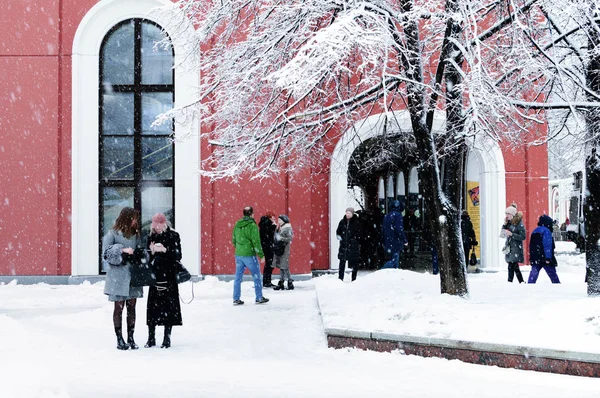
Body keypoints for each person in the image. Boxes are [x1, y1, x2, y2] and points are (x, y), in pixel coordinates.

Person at [102, 207, 144, 350]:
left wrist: (140, 254)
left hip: (133, 276)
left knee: (132, 307)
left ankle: (131, 338)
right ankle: (120, 339)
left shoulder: (136, 234)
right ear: (127, 218)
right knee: (118, 308)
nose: (135, 221)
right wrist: (122, 250)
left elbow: (141, 252)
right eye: (133, 218)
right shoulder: (112, 233)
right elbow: (106, 253)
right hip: (117, 277)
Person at [145, 213, 183, 349]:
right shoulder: (151, 236)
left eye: (159, 224)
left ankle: (167, 338)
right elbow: (147, 258)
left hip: (169, 276)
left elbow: (178, 255)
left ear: (164, 224)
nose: (156, 227)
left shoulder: (173, 236)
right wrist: (152, 252)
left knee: (169, 307)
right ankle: (151, 337)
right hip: (155, 276)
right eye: (154, 224)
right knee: (152, 308)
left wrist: (165, 250)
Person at [232, 206, 269, 305]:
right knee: (256, 276)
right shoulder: (252, 225)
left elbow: (234, 240)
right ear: (252, 214)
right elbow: (256, 242)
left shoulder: (237, 224)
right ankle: (259, 297)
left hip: (239, 255)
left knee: (238, 277)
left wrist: (239, 248)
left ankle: (236, 298)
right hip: (249, 255)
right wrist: (261, 255)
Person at [528, 214, 561, 284]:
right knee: (552, 274)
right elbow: (547, 245)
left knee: (533, 274)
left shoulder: (535, 231)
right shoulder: (547, 231)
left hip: (535, 257)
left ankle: (529, 286)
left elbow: (531, 245)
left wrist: (532, 256)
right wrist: (548, 258)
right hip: (544, 257)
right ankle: (557, 286)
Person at [501, 206, 526, 283]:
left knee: (512, 264)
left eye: (508, 213)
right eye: (506, 213)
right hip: (509, 247)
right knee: (514, 265)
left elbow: (523, 236)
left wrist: (512, 234)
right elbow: (502, 235)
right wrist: (504, 225)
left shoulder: (519, 224)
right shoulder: (508, 223)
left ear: (512, 214)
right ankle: (520, 281)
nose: (507, 215)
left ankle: (510, 281)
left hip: (516, 248)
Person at [336, 207, 362, 281]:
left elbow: (360, 234)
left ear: (352, 214)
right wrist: (340, 237)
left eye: (349, 213)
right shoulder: (342, 222)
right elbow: (338, 231)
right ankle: (340, 278)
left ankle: (354, 278)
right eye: (346, 213)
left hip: (353, 246)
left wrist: (355, 240)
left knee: (354, 262)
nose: (347, 214)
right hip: (344, 245)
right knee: (342, 261)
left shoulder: (356, 222)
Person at [381, 200, 408, 269]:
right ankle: (382, 271)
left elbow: (383, 229)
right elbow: (399, 229)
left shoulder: (387, 215)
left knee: (393, 259)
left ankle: (394, 274)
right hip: (396, 240)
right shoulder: (398, 215)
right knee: (394, 260)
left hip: (388, 240)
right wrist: (404, 240)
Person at [273, 214, 294, 290]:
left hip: (284, 249)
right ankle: (282, 282)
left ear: (284, 220)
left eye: (280, 220)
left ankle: (289, 281)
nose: (278, 221)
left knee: (284, 266)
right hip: (280, 248)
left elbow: (289, 238)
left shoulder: (287, 228)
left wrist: (280, 238)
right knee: (282, 266)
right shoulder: (280, 227)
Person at [259, 212, 277, 288]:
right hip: (268, 247)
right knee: (269, 264)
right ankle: (267, 281)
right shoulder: (268, 224)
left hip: (266, 246)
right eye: (273, 217)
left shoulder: (264, 223)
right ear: (270, 217)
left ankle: (266, 281)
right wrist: (274, 227)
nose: (274, 218)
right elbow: (269, 235)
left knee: (269, 264)